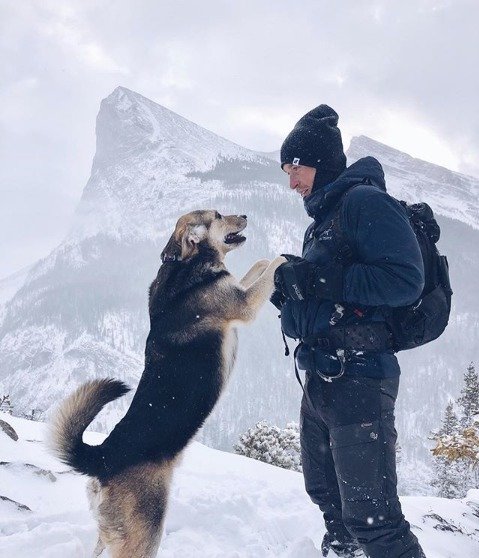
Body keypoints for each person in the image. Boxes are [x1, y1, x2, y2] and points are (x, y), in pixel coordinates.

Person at [272, 105, 427, 558]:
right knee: (329, 500)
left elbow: (405, 280)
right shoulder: (321, 221)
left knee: (373, 519)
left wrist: (320, 281)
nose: (291, 181)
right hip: (322, 380)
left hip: (360, 377)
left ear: (320, 162)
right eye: (286, 170)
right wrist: (292, 299)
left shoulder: (364, 203)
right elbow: (332, 301)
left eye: (295, 167)